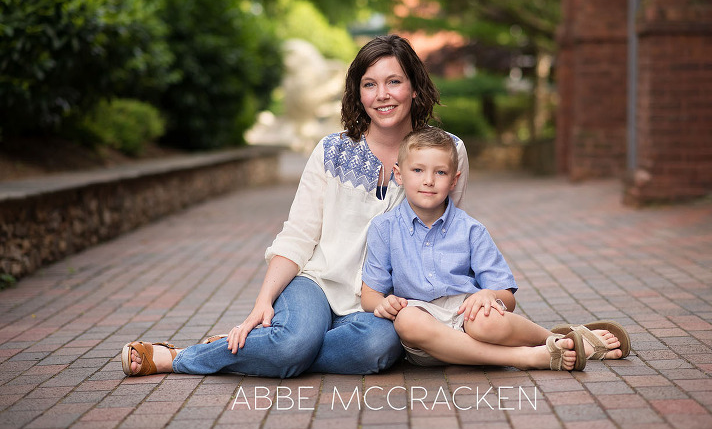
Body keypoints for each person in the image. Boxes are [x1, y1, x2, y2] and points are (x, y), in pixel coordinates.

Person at [121, 35, 470, 377]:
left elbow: (440, 235)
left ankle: (267, 347)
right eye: (369, 84)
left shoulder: (447, 153)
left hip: (379, 302)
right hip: (316, 283)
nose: (382, 95)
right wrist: (263, 301)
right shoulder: (330, 151)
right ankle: (180, 356)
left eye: (394, 81)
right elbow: (299, 234)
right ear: (357, 92)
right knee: (293, 345)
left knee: (376, 348)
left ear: (414, 87)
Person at [361, 127, 631, 371]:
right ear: (399, 174)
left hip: (469, 321)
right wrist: (385, 304)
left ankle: (555, 340)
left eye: (440, 172)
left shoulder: (470, 230)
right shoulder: (384, 228)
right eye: (418, 170)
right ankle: (527, 356)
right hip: (426, 333)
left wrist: (488, 294)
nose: (429, 180)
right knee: (406, 320)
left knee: (486, 320)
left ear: (454, 180)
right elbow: (369, 296)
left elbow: (508, 298)